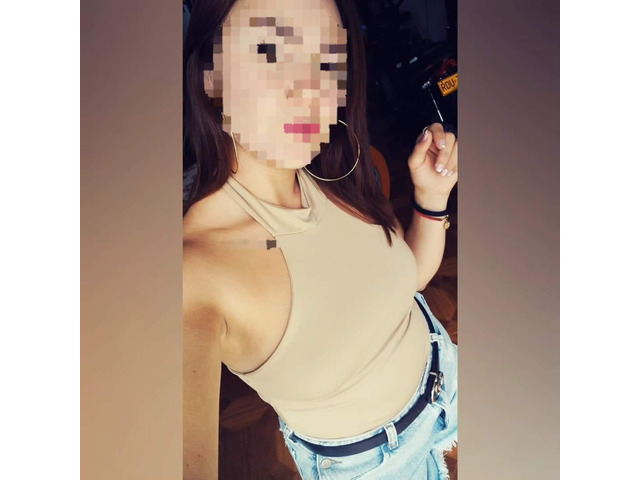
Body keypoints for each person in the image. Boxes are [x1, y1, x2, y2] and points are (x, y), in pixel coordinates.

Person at [182, 0, 459, 478]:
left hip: (445, 369)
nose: (311, 89)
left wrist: (431, 199)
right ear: (210, 76)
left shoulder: (338, 171)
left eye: (329, 62)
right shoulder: (196, 273)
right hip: (381, 465)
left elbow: (407, 281)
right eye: (271, 50)